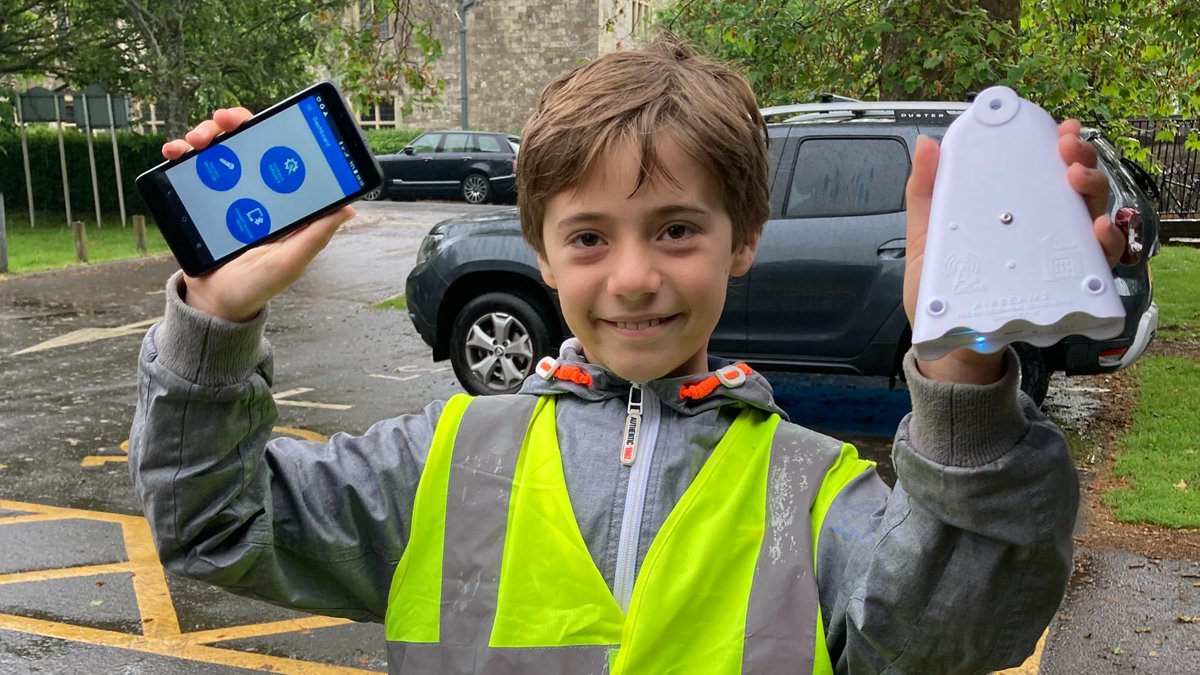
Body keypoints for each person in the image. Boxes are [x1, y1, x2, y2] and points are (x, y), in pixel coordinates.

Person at [129, 36, 1126, 674]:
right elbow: (215, 524)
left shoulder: (816, 494)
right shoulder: (437, 460)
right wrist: (214, 321)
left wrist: (962, 378)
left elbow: (959, 636)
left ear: (743, 239)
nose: (635, 276)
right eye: (591, 237)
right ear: (540, 252)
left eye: (678, 231)